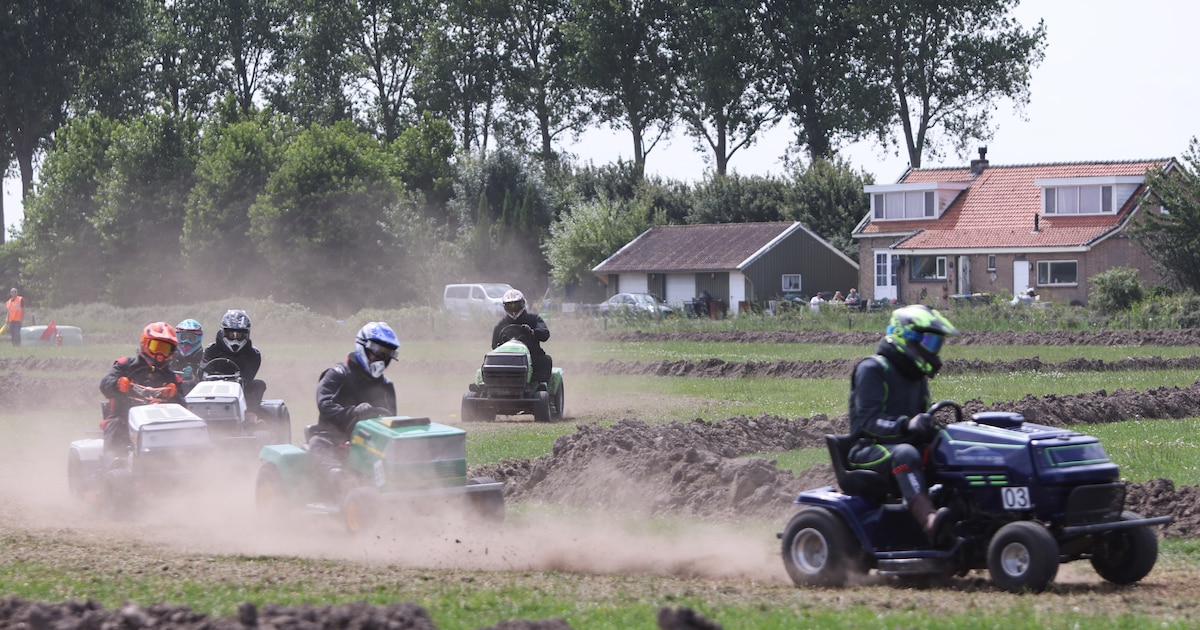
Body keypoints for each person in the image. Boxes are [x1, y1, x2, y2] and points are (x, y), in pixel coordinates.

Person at [846, 304, 960, 546]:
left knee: (950, 451)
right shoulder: (872, 369)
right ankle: (929, 519)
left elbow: (924, 418)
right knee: (906, 454)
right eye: (929, 343)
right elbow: (868, 421)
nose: (934, 350)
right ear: (906, 337)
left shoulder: (916, 377)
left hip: (902, 443)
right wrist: (906, 425)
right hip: (867, 448)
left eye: (937, 344)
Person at [309, 322, 399, 498]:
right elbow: (324, 403)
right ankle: (341, 482)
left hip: (368, 443)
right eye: (378, 351)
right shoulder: (338, 373)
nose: (381, 358)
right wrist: (354, 412)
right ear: (363, 346)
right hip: (333, 439)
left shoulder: (386, 385)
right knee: (317, 443)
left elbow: (391, 420)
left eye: (386, 354)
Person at [99, 322, 186, 459]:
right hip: (124, 418)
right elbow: (104, 385)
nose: (160, 355)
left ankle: (182, 462)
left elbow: (184, 409)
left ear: (172, 352)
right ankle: (114, 462)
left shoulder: (173, 378)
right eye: (156, 346)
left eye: (165, 349)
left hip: (161, 423)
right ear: (145, 344)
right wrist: (118, 384)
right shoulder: (124, 366)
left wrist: (173, 396)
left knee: (183, 431)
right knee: (116, 426)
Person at [200, 309, 266, 412]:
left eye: (239, 335)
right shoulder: (211, 350)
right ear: (224, 332)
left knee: (259, 385)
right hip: (212, 387)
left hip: (239, 390)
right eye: (231, 334)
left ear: (246, 334)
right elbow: (202, 371)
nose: (235, 339)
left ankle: (249, 415)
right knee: (189, 384)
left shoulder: (253, 354)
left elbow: (247, 377)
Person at [491, 289, 552, 389]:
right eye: (510, 306)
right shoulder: (501, 324)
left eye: (516, 305)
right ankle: (487, 385)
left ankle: (542, 385)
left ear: (522, 304)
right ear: (505, 307)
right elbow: (494, 345)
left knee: (545, 360)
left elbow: (545, 334)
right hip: (507, 358)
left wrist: (532, 332)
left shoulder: (533, 319)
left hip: (531, 356)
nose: (513, 310)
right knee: (488, 360)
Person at [171, 319, 204, 394]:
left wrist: (194, 379)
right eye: (183, 337)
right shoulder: (171, 356)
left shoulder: (204, 357)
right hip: (172, 395)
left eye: (191, 338)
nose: (186, 341)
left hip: (197, 395)